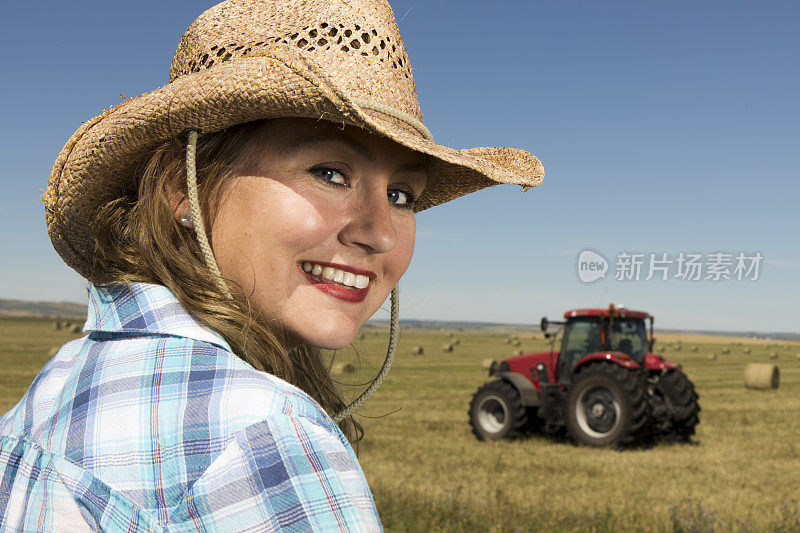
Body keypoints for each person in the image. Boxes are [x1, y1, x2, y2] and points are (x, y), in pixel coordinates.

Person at [0, 0, 543, 530]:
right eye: (331, 173)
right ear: (179, 187)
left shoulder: (46, 399)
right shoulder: (263, 436)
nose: (380, 233)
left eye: (401, 195)